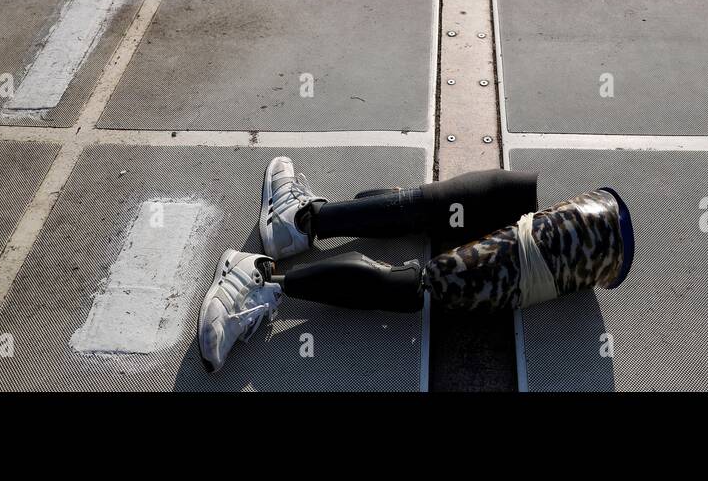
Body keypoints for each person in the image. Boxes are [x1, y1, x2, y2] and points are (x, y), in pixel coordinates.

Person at [198, 156, 634, 372]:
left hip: (602, 237)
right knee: (442, 251)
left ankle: (298, 225)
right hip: (599, 228)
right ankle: (265, 272)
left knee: (433, 277)